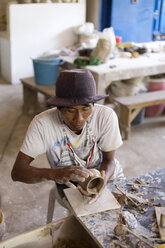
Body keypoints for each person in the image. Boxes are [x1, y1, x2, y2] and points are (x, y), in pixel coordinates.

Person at [11, 69, 124, 204]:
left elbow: (109, 160)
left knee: (124, 204)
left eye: (86, 108)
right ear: (58, 107)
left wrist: (102, 182)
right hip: (66, 181)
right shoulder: (42, 124)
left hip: (105, 173)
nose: (79, 118)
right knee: (89, 217)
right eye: (70, 110)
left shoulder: (106, 116)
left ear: (93, 105)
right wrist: (55, 174)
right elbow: (17, 172)